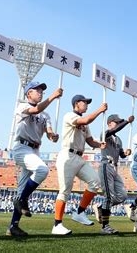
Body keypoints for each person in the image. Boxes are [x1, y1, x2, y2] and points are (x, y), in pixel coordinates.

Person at [7, 81, 62, 237]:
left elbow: (50, 133)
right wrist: (52, 97)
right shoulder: (22, 106)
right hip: (21, 147)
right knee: (42, 169)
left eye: (42, 90)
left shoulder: (46, 115)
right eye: (36, 90)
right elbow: (36, 109)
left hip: (35, 150)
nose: (40, 92)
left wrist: (53, 136)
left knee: (20, 190)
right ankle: (23, 199)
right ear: (28, 93)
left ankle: (13, 226)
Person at [52, 94, 107, 235]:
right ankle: (57, 225)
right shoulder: (69, 115)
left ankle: (79, 212)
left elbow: (90, 141)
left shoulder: (85, 124)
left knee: (95, 181)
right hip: (67, 155)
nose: (87, 105)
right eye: (85, 102)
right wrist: (100, 110)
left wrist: (98, 144)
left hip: (80, 157)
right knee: (65, 191)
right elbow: (86, 119)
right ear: (77, 103)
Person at [93, 114, 134, 235]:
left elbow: (121, 154)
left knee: (122, 195)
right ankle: (105, 227)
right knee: (109, 196)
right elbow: (115, 130)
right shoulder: (105, 133)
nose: (118, 124)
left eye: (119, 122)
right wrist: (126, 121)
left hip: (115, 167)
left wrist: (126, 153)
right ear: (110, 123)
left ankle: (100, 207)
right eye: (117, 122)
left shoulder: (119, 139)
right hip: (106, 165)